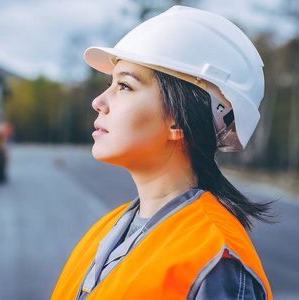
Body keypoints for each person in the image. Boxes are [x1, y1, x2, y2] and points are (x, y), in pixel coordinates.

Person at [52, 6, 275, 300]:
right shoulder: (105, 232)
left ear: (180, 119)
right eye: (110, 84)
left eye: (124, 86)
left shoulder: (216, 262)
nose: (99, 101)